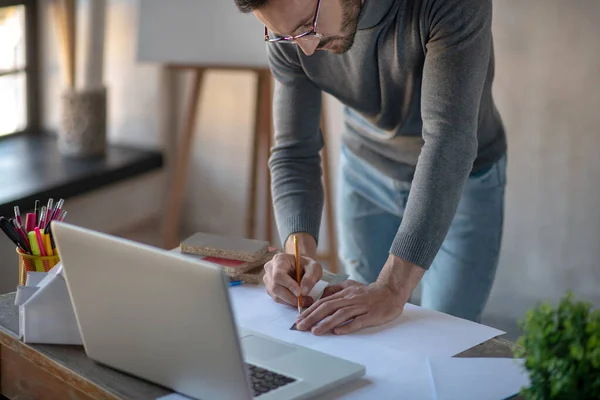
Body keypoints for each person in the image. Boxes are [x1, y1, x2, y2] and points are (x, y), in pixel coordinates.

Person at [232, 0, 507, 335]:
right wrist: (297, 256)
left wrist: (393, 288)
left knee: (447, 333)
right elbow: (293, 149)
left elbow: (448, 144)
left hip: (462, 181)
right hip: (365, 169)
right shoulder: (293, 33)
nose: (306, 48)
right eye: (285, 37)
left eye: (307, 25)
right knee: (360, 330)